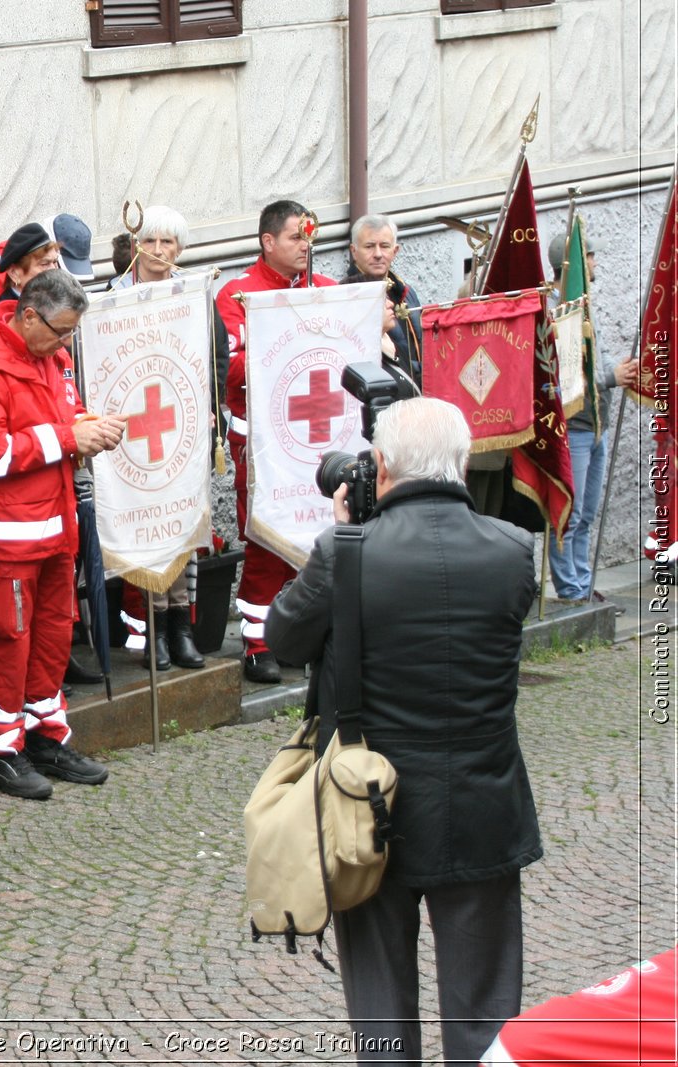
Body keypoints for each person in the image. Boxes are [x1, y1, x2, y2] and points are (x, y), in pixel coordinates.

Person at [266, 396, 542, 1065]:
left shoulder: (346, 552)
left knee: (383, 1021)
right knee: (483, 1017)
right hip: (483, 805)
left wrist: (339, 539)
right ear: (462, 463)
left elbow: (282, 638)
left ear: (379, 468)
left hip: (371, 808)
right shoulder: (513, 551)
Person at [0, 270, 123, 800]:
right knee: (11, 642)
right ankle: (2, 750)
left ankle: (47, 735)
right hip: (5, 536)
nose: (66, 342)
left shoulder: (52, 357)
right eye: (61, 330)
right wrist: (66, 435)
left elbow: (62, 417)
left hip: (56, 527)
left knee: (52, 637)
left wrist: (88, 427)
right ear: (29, 315)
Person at [215, 199, 336, 684]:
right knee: (267, 537)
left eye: (309, 236)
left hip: (318, 433)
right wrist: (288, 338)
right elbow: (231, 369)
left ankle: (301, 634)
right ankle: (259, 641)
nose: (306, 245)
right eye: (295, 237)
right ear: (268, 242)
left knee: (319, 533)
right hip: (263, 441)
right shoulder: (238, 294)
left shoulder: (326, 291)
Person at [109, 205, 228, 671]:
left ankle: (181, 625)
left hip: (184, 430)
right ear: (137, 244)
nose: (159, 251)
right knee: (146, 525)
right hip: (136, 429)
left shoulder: (195, 294)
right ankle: (154, 627)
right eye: (152, 241)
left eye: (169, 243)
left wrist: (211, 411)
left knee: (181, 526)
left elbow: (215, 357)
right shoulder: (114, 297)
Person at [543, 227, 639, 605]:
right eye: (590, 256)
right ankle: (570, 592)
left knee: (585, 514)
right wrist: (609, 376)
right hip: (573, 427)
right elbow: (563, 371)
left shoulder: (581, 304)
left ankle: (581, 587)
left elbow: (590, 358)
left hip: (593, 422)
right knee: (569, 512)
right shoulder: (555, 310)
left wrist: (619, 369)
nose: (596, 262)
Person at [344, 213, 424, 388]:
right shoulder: (344, 297)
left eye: (385, 246)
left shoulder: (406, 291)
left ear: (395, 251)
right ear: (354, 251)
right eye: (369, 246)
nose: (378, 254)